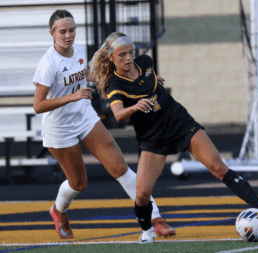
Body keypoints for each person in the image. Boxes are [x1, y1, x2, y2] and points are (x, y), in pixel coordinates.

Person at [89, 32, 258, 244]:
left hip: (179, 122)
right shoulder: (115, 84)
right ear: (111, 58)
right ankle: (147, 232)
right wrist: (135, 106)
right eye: (122, 55)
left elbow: (148, 79)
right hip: (153, 137)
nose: (128, 58)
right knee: (142, 194)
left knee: (218, 167)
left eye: (131, 52)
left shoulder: (145, 62)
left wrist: (154, 80)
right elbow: (118, 114)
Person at [32, 10, 175, 240]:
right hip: (60, 129)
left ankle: (155, 218)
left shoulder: (78, 50)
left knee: (120, 168)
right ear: (52, 33)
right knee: (78, 183)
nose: (68, 35)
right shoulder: (48, 64)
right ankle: (58, 210)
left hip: (85, 117)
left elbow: (87, 73)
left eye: (71, 30)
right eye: (62, 32)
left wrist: (137, 82)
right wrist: (72, 96)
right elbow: (38, 105)